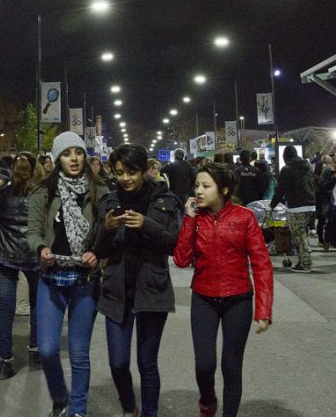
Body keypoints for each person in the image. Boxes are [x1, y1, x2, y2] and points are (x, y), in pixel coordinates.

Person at [174, 162, 273, 417]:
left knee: (231, 366)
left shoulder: (244, 217)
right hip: (203, 298)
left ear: (224, 190)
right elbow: (181, 260)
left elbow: (262, 264)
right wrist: (188, 219)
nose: (199, 191)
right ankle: (207, 401)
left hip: (238, 299)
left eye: (206, 186)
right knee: (204, 365)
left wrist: (263, 310)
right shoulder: (195, 218)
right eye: (197, 185)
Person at [95, 144, 181, 417]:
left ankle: (149, 413)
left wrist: (147, 224)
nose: (125, 178)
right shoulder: (109, 202)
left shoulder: (164, 200)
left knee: (147, 363)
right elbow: (98, 250)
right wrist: (106, 229)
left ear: (144, 171)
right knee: (118, 362)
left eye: (131, 172)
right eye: (119, 172)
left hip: (152, 289)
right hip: (116, 291)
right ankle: (129, 407)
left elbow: (174, 245)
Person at [28, 131, 108, 417]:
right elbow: (33, 231)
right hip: (51, 279)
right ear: (57, 159)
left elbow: (109, 235)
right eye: (66, 154)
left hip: (85, 280)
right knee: (47, 349)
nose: (74, 159)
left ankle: (78, 410)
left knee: (78, 352)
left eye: (78, 152)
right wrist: (41, 249)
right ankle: (61, 398)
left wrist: (97, 254)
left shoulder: (100, 191)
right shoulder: (43, 192)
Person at [0, 153, 41, 380]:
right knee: (37, 303)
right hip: (34, 254)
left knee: (6, 308)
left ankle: (5, 361)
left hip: (4, 254)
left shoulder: (1, 195)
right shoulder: (40, 195)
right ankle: (35, 350)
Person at [269, 145, 316, 273]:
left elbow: (280, 189)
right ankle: (301, 261)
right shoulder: (306, 166)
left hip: (297, 205)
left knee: (298, 236)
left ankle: (305, 264)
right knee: (301, 233)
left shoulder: (287, 169)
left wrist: (272, 204)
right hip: (310, 204)